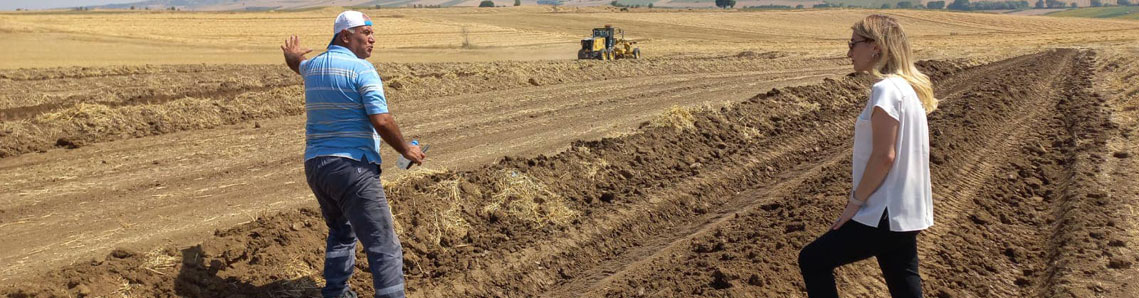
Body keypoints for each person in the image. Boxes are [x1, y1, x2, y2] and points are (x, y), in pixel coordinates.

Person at [280, 10, 425, 298]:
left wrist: (291, 56)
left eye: (372, 34)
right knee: (383, 243)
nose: (372, 40)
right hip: (353, 169)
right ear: (345, 36)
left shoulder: (315, 67)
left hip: (317, 168)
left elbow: (299, 65)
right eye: (365, 33)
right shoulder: (362, 70)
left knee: (342, 231)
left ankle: (335, 292)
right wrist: (407, 149)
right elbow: (381, 120)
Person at [798, 14, 937, 298]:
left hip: (883, 212)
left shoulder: (885, 90)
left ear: (875, 46)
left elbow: (884, 155)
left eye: (853, 44)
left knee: (812, 260)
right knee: (905, 288)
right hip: (905, 213)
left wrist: (855, 203)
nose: (849, 52)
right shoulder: (910, 90)